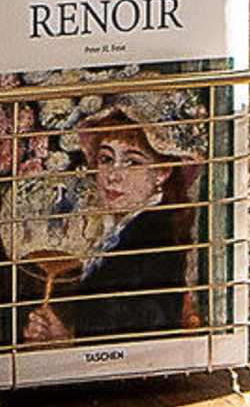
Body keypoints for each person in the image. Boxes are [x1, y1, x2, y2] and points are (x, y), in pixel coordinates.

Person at [18, 101, 198, 345]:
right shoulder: (120, 230)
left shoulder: (153, 235)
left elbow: (139, 328)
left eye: (132, 162)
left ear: (162, 172)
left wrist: (68, 340)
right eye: (106, 159)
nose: (113, 175)